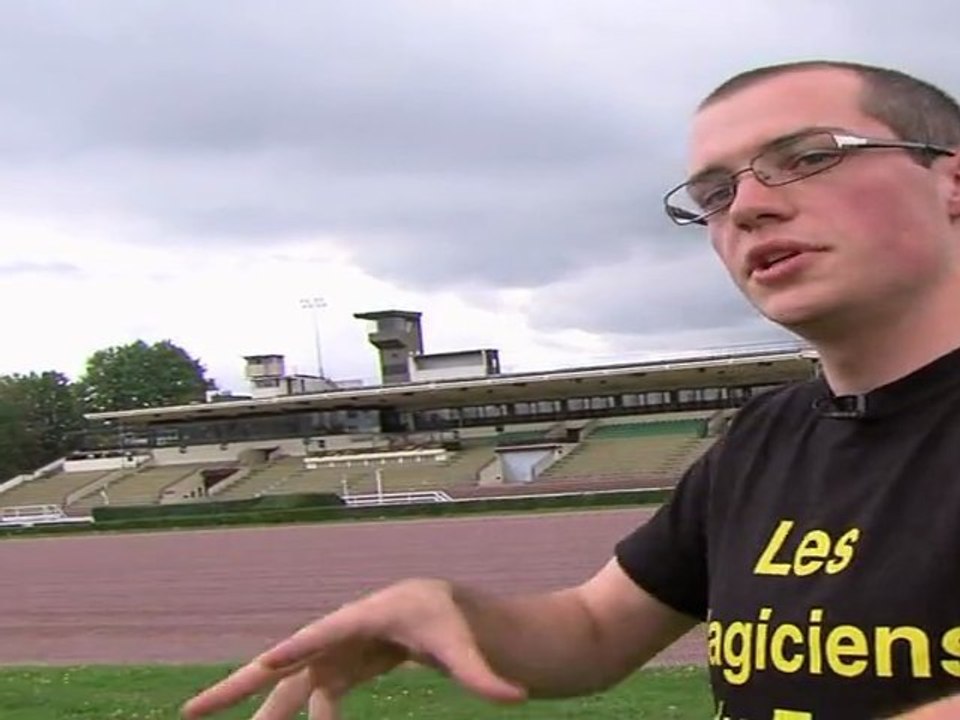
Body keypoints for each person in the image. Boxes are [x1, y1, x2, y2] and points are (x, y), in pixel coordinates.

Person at [180, 60, 960, 720]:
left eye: (809, 156)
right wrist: (452, 612)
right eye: (715, 194)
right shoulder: (765, 436)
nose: (749, 206)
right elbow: (592, 630)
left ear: (951, 182)